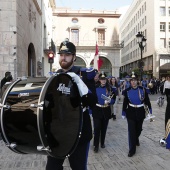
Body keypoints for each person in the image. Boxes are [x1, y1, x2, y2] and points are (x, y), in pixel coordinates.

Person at [46, 39, 96, 170]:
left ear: (74, 57)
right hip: (58, 132)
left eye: (67, 55)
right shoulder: (55, 76)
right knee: (51, 168)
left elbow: (92, 101)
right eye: (61, 55)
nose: (63, 58)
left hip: (79, 131)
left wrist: (80, 84)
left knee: (78, 168)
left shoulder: (85, 75)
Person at [122, 72, 152, 157]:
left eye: (135, 80)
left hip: (140, 111)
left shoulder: (143, 89)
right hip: (130, 112)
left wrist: (150, 111)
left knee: (139, 129)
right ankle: (132, 150)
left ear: (137, 81)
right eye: (132, 80)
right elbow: (125, 103)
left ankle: (136, 139)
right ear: (130, 82)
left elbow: (147, 101)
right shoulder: (127, 91)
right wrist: (123, 112)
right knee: (131, 131)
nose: (133, 82)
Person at [92, 72, 116, 153]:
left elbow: (113, 99)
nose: (103, 81)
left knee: (104, 128)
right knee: (97, 128)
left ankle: (102, 142)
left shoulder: (110, 88)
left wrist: (109, 101)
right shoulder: (95, 88)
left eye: (104, 79)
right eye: (102, 79)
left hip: (106, 110)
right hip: (97, 110)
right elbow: (92, 99)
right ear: (99, 80)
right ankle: (96, 145)